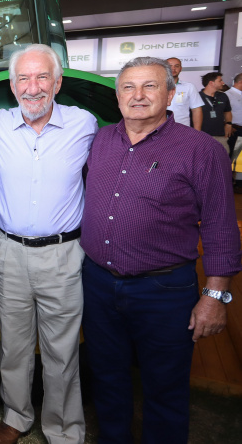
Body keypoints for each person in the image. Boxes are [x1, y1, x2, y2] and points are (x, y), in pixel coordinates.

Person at [81, 56, 241, 443]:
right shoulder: (102, 139)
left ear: (171, 94)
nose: (138, 96)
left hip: (163, 291)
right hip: (99, 283)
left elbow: (221, 226)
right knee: (107, 376)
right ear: (117, 97)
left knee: (165, 386)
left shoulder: (200, 150)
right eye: (128, 88)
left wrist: (215, 296)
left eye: (150, 86)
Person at [0, 44, 97, 444]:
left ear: (58, 82)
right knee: (13, 346)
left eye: (42, 77)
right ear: (12, 86)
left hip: (63, 255)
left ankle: (64, 430)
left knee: (61, 351)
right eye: (24, 78)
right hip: (9, 252)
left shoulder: (84, 124)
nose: (33, 87)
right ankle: (16, 417)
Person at [199, 71, 233, 154]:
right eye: (220, 81)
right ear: (211, 83)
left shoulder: (223, 96)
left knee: (223, 160)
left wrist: (228, 123)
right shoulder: (197, 96)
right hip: (202, 136)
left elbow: (227, 111)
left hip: (220, 135)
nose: (223, 83)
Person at [165, 57, 203, 129]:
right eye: (170, 66)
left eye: (176, 66)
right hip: (159, 130)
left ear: (180, 69)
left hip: (182, 130)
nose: (173, 68)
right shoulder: (155, 86)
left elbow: (196, 110)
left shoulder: (189, 87)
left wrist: (197, 133)